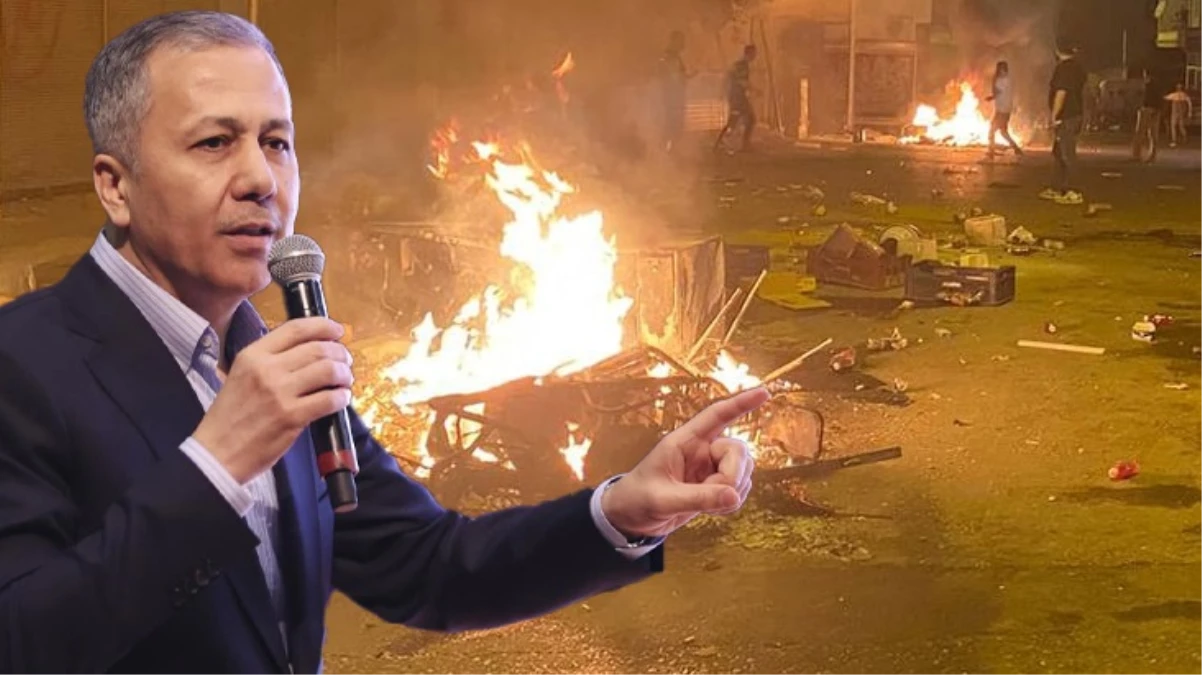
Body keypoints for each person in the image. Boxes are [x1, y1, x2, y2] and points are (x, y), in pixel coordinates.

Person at [0, 11, 769, 675]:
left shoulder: (271, 358)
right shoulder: (23, 366)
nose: (261, 178)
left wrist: (621, 512)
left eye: (277, 142)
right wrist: (215, 466)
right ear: (116, 185)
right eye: (213, 143)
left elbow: (426, 564)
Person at [1041, 42, 1086, 205]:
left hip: (1066, 117)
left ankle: (1073, 191)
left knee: (1067, 154)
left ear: (1057, 51)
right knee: (1059, 152)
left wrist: (1054, 116)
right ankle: (1057, 188)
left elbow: (1061, 92)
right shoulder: (1077, 67)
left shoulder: (1064, 68)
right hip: (1074, 115)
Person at [713, 44, 758, 153]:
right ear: (749, 53)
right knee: (748, 119)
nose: (755, 56)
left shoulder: (741, 64)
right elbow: (741, 81)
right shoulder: (742, 65)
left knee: (737, 120)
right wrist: (755, 90)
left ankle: (721, 143)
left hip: (737, 96)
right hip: (737, 98)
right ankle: (742, 144)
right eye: (754, 53)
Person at [659, 30, 695, 154]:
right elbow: (673, 77)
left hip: (676, 96)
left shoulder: (674, 57)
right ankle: (667, 149)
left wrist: (689, 76)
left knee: (676, 123)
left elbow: (679, 76)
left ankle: (670, 149)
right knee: (673, 122)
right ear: (674, 41)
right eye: (681, 41)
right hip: (672, 96)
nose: (683, 44)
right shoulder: (668, 57)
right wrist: (685, 77)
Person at [985, 60, 1023, 159]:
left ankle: (991, 151)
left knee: (992, 130)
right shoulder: (1009, 79)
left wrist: (993, 81)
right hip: (1005, 109)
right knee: (1003, 131)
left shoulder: (1002, 80)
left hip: (1002, 110)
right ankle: (1016, 148)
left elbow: (996, 91)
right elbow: (999, 93)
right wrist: (992, 97)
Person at [1132, 68, 1164, 161]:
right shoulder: (1158, 86)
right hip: (1156, 110)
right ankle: (1152, 155)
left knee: (1140, 132)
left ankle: (1137, 154)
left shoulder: (1147, 86)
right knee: (1153, 134)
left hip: (1146, 109)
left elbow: (1143, 98)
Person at [1165, 82, 1193, 147]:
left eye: (1179, 87)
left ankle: (1181, 138)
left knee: (1178, 126)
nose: (1178, 88)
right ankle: (1176, 139)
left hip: (1178, 113)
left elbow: (1189, 103)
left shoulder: (1181, 95)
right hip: (1176, 113)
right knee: (1175, 126)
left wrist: (1189, 112)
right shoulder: (1178, 95)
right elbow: (1189, 103)